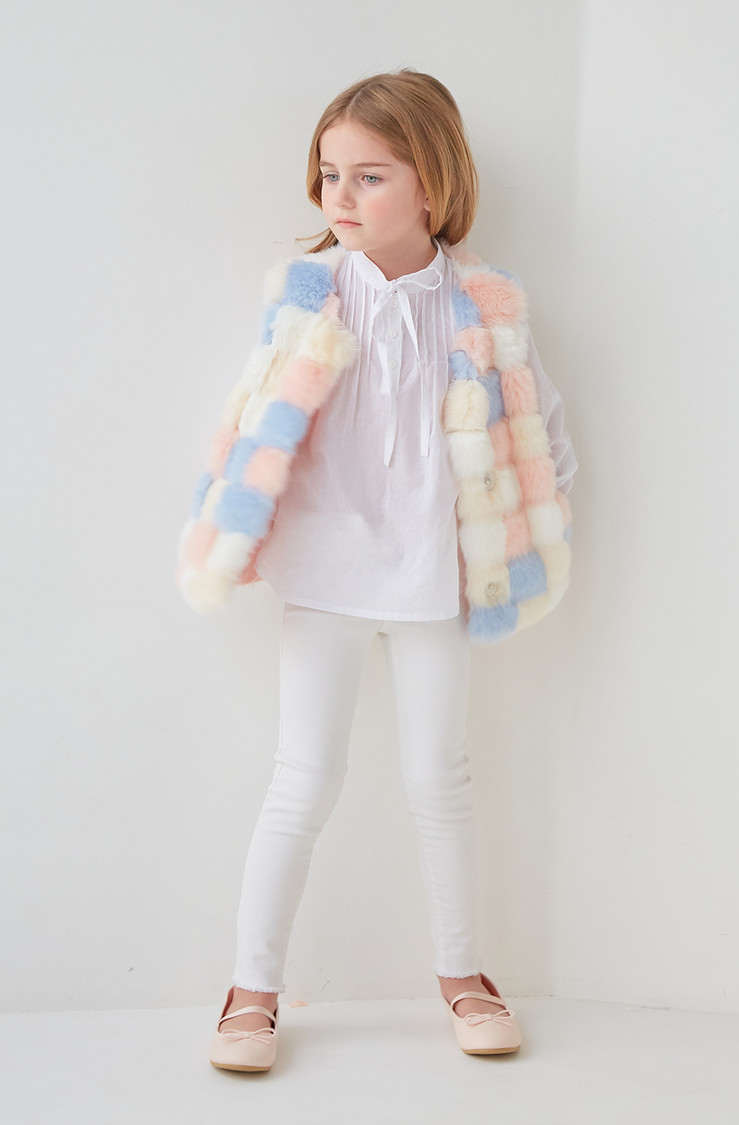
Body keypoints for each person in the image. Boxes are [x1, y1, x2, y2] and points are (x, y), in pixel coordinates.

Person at [175, 69, 577, 1072]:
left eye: (369, 176)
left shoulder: (484, 306)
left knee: (439, 776)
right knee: (303, 778)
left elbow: (543, 433)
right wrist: (232, 525)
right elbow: (250, 421)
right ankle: (251, 989)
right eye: (329, 175)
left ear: (432, 185)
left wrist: (518, 529)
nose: (340, 197)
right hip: (324, 570)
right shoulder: (309, 296)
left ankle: (463, 974)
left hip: (435, 573)